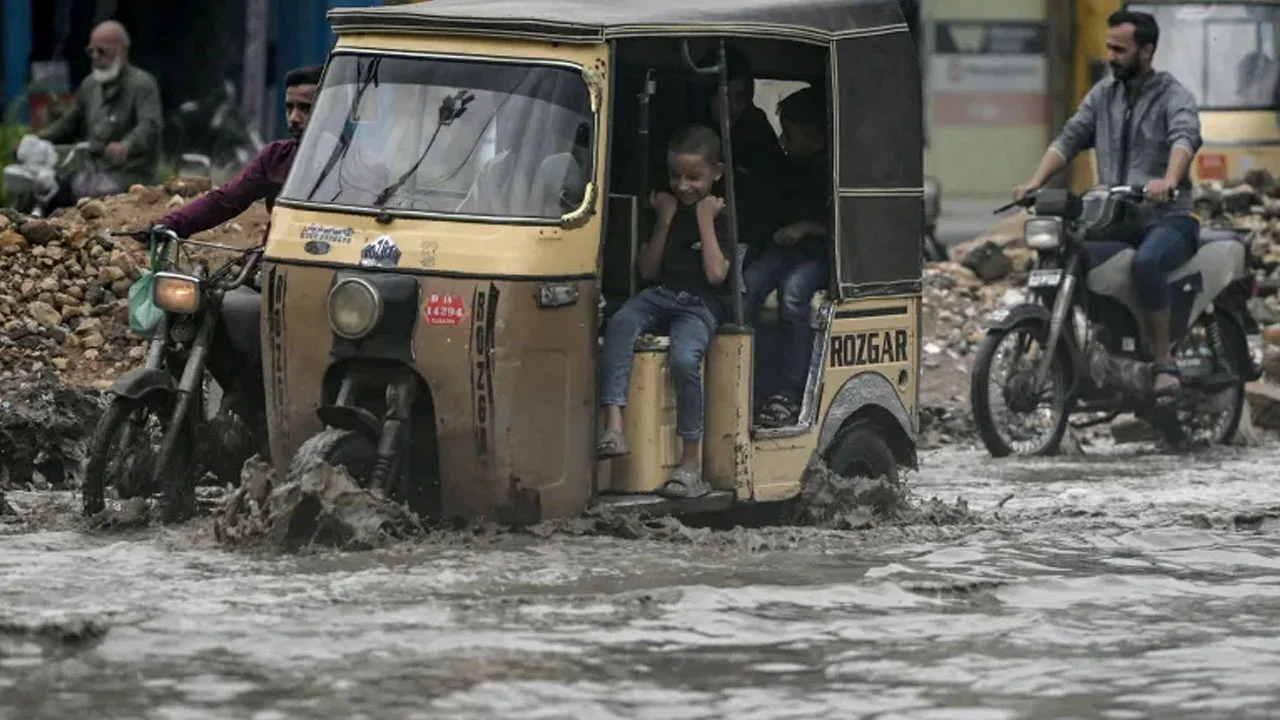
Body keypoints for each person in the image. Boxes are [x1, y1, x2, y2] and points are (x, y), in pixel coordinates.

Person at [1013, 9, 1201, 406]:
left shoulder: (1174, 95)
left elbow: (1184, 137)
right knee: (1071, 255)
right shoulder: (1103, 94)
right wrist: (1034, 182)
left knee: (1147, 263)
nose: (1111, 56)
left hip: (1169, 217)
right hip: (1117, 215)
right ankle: (1087, 350)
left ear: (1146, 51)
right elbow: (1069, 138)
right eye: (1109, 47)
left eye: (1120, 49)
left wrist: (1168, 180)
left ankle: (1164, 361)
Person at [152, 64, 322, 421]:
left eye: (306, 108)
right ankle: (235, 398)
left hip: (317, 283)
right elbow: (226, 199)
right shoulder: (276, 157)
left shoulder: (352, 165)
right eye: (290, 107)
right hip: (266, 271)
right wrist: (171, 224)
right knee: (199, 310)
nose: (295, 117)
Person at [597, 125, 734, 500]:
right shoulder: (666, 207)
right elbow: (648, 270)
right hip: (663, 292)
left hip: (700, 305)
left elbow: (716, 273)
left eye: (694, 177)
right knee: (621, 321)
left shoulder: (721, 212)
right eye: (676, 176)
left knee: (685, 359)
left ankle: (690, 463)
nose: (684, 186)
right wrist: (664, 220)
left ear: (716, 174)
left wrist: (705, 218)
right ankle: (614, 425)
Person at [745, 87, 829, 428]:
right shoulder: (784, 166)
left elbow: (841, 228)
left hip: (815, 256)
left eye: (791, 135)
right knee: (746, 288)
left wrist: (806, 228)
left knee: (794, 296)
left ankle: (790, 393)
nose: (783, 142)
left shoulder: (831, 173)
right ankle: (747, 384)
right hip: (782, 250)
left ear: (817, 140)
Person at [38, 20, 163, 210]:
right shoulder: (89, 85)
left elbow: (150, 124)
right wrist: (37, 139)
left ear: (122, 50)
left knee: (96, 200)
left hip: (129, 174)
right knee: (50, 192)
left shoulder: (142, 85)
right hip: (92, 171)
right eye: (91, 51)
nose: (95, 57)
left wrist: (125, 146)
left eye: (102, 51)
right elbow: (68, 124)